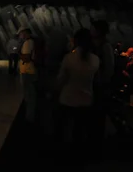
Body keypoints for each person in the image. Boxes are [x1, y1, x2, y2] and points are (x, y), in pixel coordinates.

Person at [56, 28, 100, 164]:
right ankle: (80, 158)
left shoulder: (69, 58)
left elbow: (61, 80)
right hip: (86, 100)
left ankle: (66, 159)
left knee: (66, 130)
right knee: (80, 132)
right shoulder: (95, 60)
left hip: (68, 99)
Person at [17, 26, 38, 123]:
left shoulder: (27, 43)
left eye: (21, 33)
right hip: (29, 71)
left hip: (27, 72)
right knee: (29, 95)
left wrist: (18, 53)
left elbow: (26, 58)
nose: (20, 35)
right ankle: (29, 116)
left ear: (24, 33)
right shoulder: (31, 42)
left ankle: (29, 118)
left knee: (29, 96)